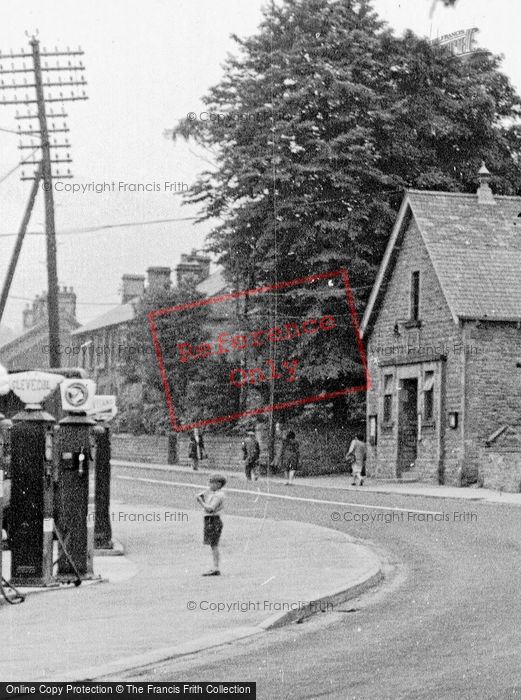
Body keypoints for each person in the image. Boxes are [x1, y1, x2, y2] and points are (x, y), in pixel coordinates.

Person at [196, 473, 226, 576]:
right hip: (210, 520)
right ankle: (215, 566)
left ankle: (215, 567)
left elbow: (210, 509)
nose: (210, 485)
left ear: (218, 484)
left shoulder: (218, 495)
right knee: (213, 545)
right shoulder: (214, 494)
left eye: (212, 483)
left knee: (214, 545)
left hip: (213, 520)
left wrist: (200, 501)